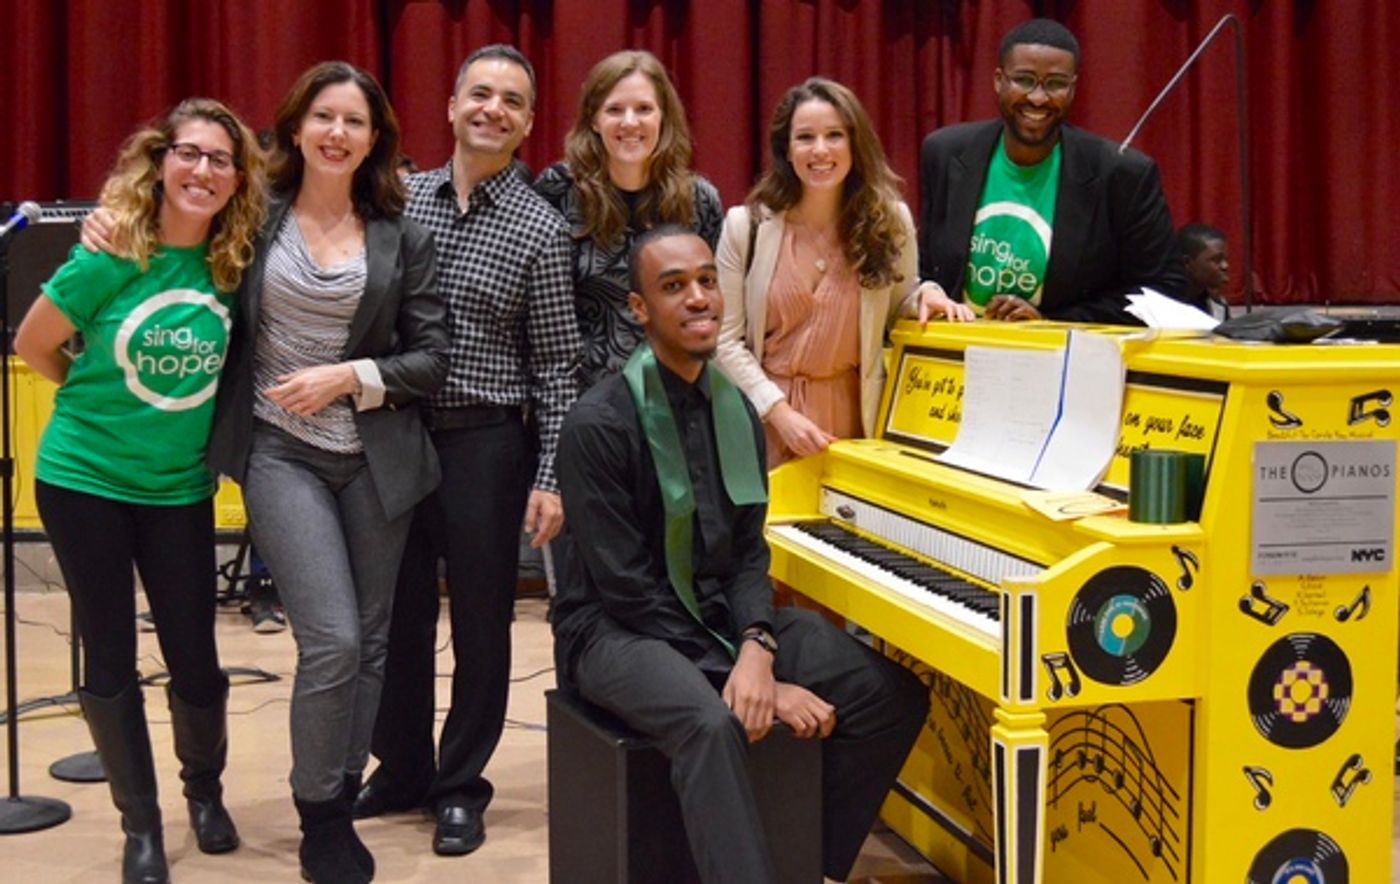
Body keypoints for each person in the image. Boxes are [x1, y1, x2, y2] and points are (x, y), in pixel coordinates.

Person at [553, 225, 929, 883]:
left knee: (888, 696)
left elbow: (749, 553)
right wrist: (755, 678)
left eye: (705, 280)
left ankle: (805, 863)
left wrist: (757, 646)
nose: (698, 297)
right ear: (639, 309)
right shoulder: (599, 423)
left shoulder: (734, 411)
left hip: (722, 615)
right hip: (614, 632)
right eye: (673, 287)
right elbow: (627, 590)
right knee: (709, 723)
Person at [205, 61, 448, 883]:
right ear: (296, 126)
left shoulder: (400, 232)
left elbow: (431, 358)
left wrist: (350, 378)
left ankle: (341, 794)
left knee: (372, 643)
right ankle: (316, 808)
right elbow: (167, 233)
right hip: (279, 451)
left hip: (376, 462)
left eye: (356, 121)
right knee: (335, 638)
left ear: (374, 139)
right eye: (324, 117)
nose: (338, 133)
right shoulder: (253, 214)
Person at [16, 97, 264, 884]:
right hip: (83, 480)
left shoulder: (235, 264)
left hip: (178, 491)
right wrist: (91, 398)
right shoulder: (111, 252)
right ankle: (142, 827)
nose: (202, 170)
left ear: (235, 179)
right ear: (160, 163)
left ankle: (204, 795)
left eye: (220, 159)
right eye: (189, 153)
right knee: (111, 654)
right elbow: (34, 344)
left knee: (196, 658)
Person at [354, 44, 581, 859]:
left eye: (511, 101)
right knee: (397, 615)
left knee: (483, 622)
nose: (492, 109)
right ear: (450, 106)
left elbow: (557, 366)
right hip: (395, 433)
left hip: (487, 443)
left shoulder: (543, 231)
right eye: (478, 94)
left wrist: (551, 474)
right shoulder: (394, 200)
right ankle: (404, 768)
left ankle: (460, 786)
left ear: (526, 122)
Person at [715, 77, 971, 467]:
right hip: (762, 418)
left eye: (834, 135)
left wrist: (927, 295)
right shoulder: (744, 226)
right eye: (805, 137)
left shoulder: (890, 220)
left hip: (853, 421)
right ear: (787, 148)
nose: (820, 150)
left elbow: (900, 303)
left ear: (855, 143)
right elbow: (724, 341)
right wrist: (779, 415)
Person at [918, 17, 1186, 323]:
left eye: (1055, 84)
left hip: (1063, 359)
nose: (1038, 98)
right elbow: (925, 266)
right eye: (1024, 79)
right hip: (953, 356)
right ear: (998, 80)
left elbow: (1165, 291)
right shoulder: (945, 152)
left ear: (1073, 88)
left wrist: (1052, 320)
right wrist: (927, 290)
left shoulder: (1123, 174)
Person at [534, 49, 723, 389]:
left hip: (677, 393)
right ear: (594, 119)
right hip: (583, 401)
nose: (630, 122)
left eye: (644, 109)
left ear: (664, 116)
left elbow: (711, 309)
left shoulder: (700, 200)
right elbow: (541, 316)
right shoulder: (557, 191)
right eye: (615, 110)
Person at [1178, 222, 1230, 318]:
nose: (1225, 266)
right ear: (1187, 262)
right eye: (1216, 259)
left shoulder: (1218, 306)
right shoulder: (1157, 306)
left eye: (1225, 259)